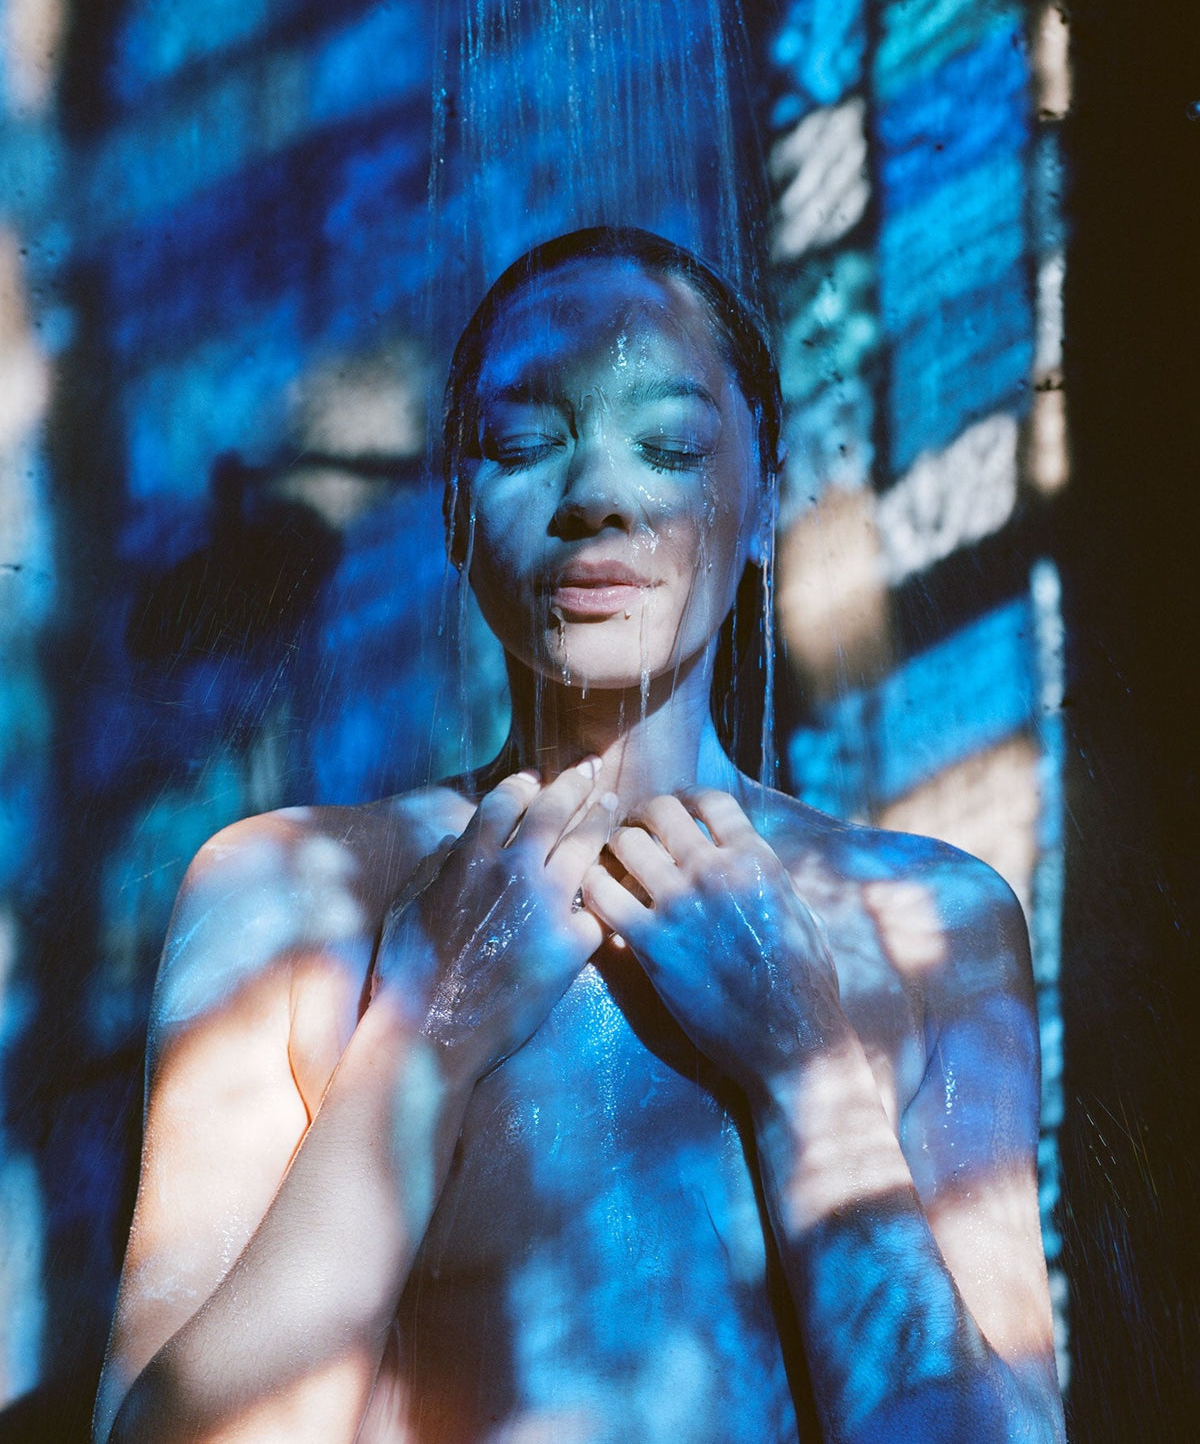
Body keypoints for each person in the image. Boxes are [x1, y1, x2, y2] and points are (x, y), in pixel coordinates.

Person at [94, 227, 1066, 1444]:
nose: (598, 496)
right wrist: (424, 1037)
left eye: (667, 446)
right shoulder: (287, 891)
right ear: (454, 504)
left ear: (764, 496)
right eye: (522, 442)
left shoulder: (928, 917)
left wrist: (809, 1070)